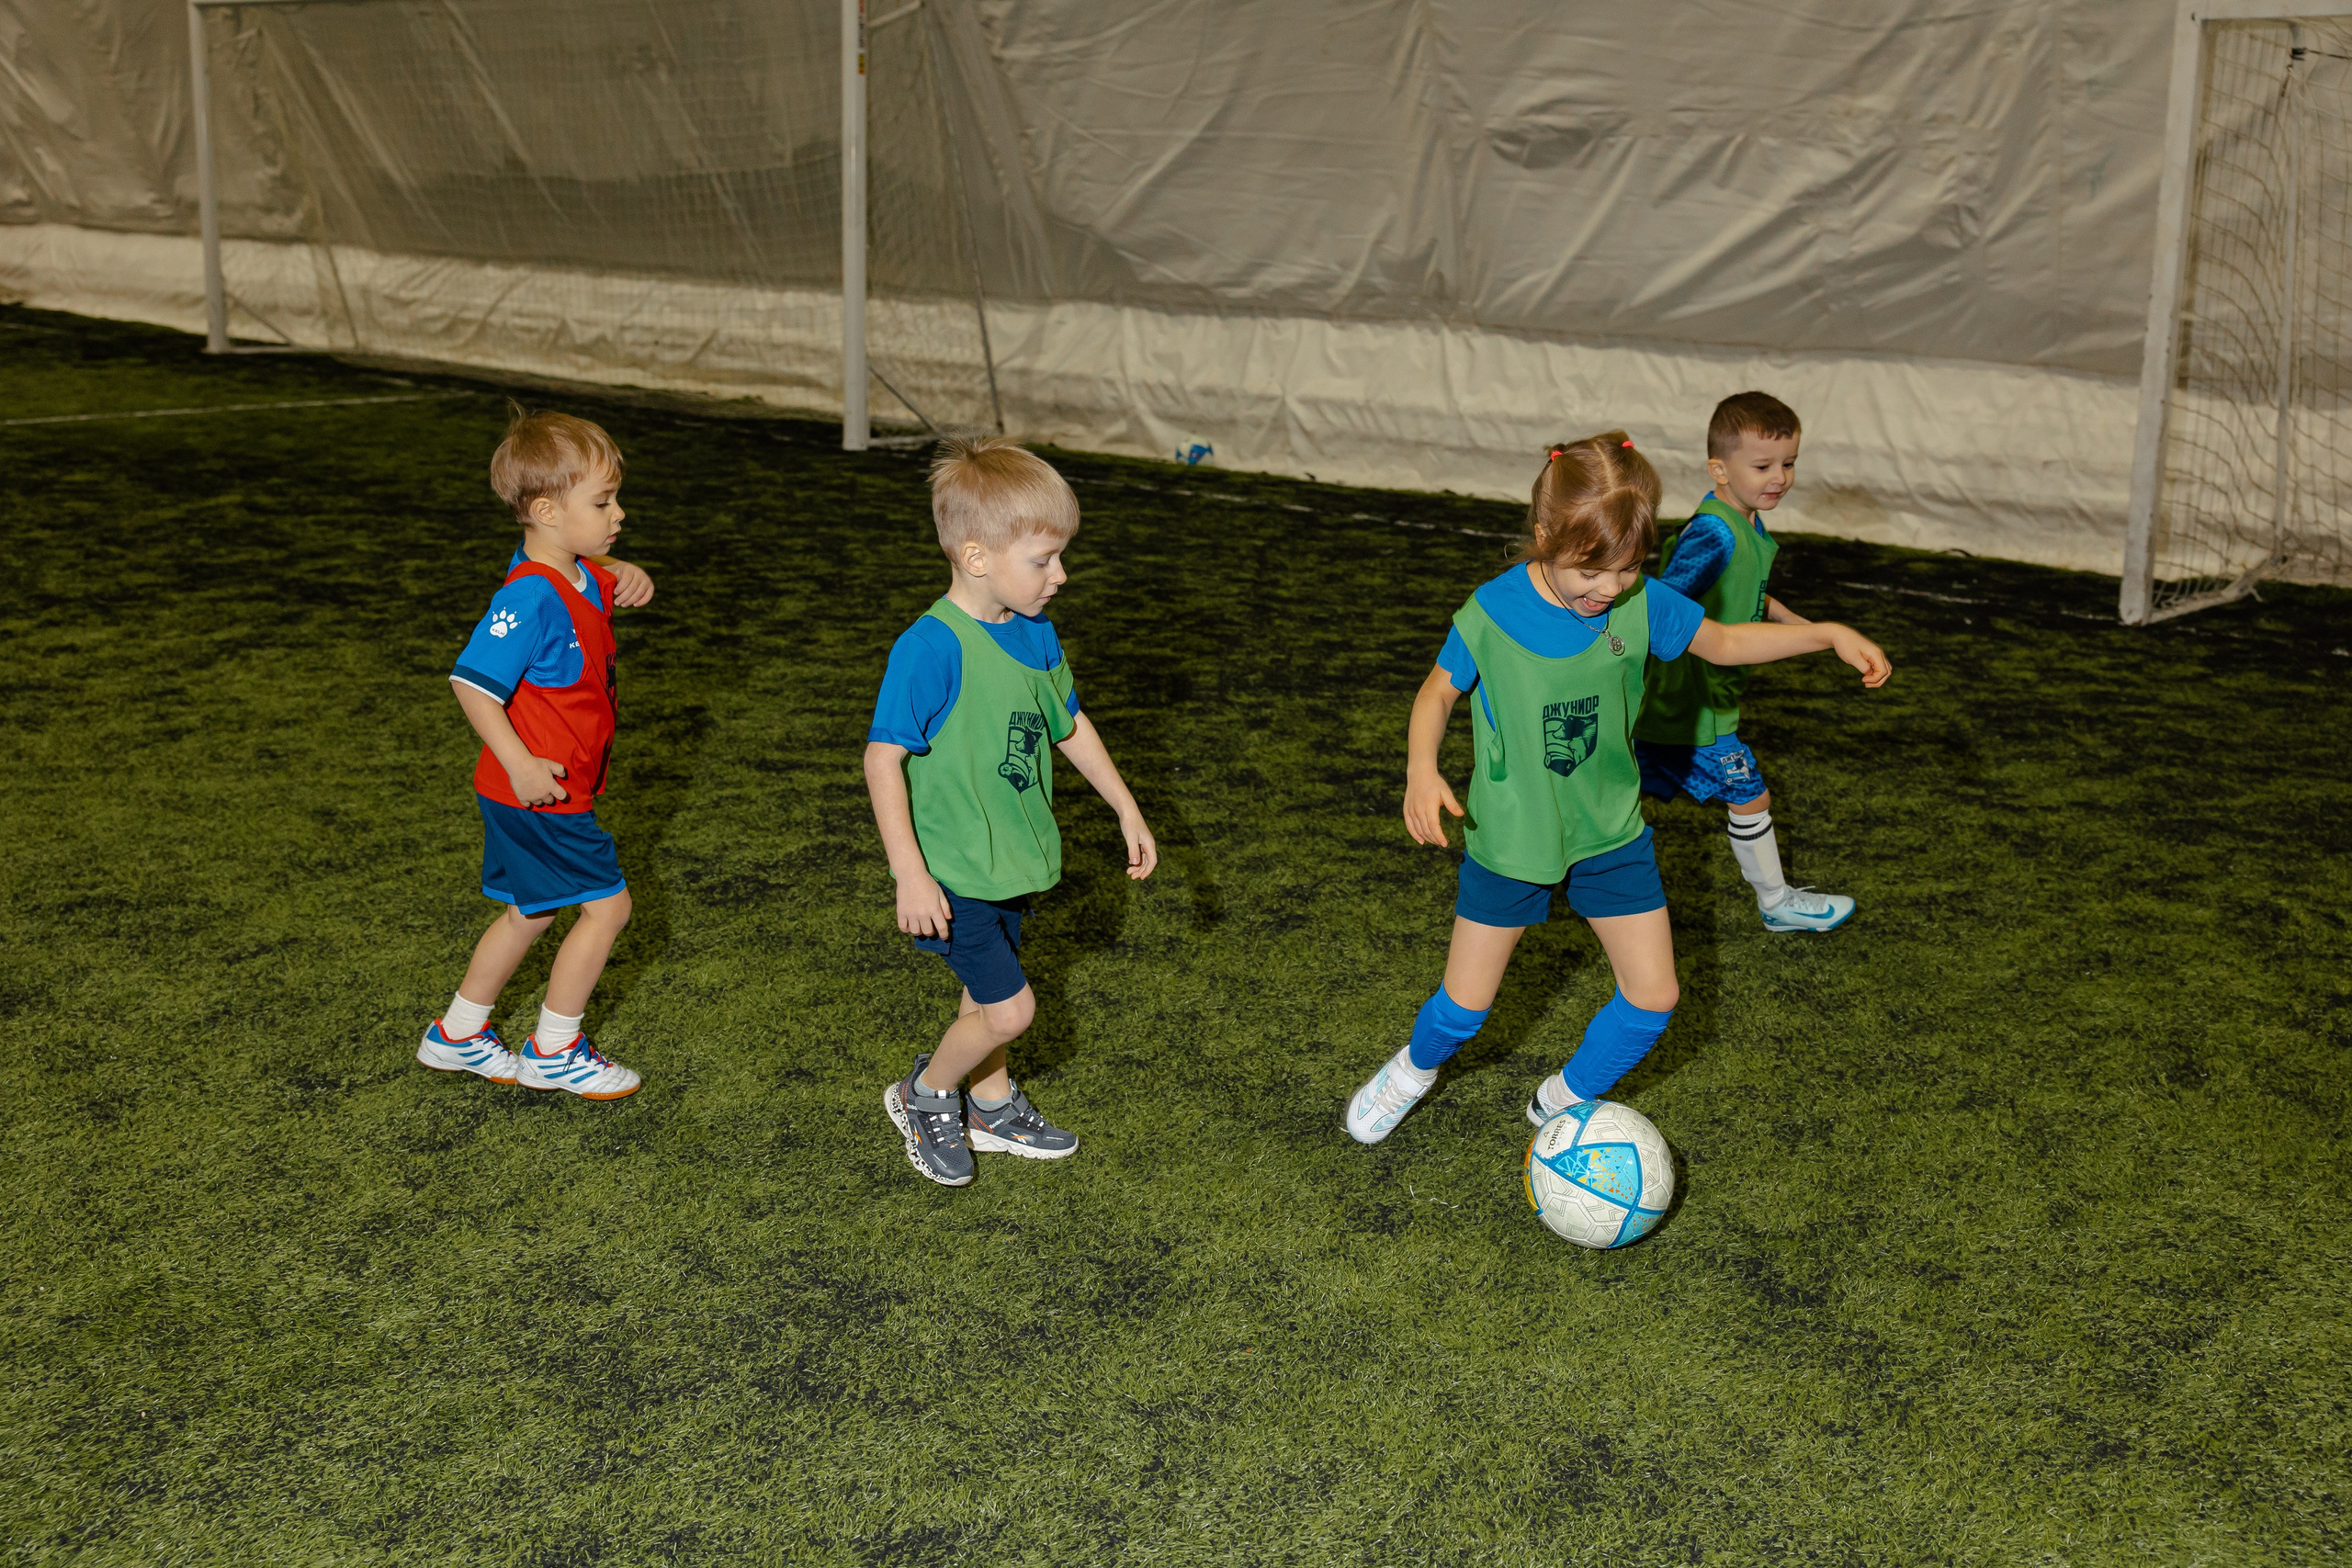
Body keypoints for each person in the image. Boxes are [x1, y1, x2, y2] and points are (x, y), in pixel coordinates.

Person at [1344, 432, 1889, 1145]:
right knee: (1465, 1005)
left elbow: (1723, 641)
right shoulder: (1492, 610)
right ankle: (1413, 1071)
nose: (1608, 589)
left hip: (1611, 830)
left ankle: (1561, 1098)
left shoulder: (1641, 603)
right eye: (1590, 571)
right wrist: (1422, 768)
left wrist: (1825, 633)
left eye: (1628, 570)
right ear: (1544, 538)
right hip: (1514, 834)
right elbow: (1435, 695)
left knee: (1655, 995)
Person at [865, 435, 1159, 1187]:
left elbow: (1067, 722)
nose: (1060, 576)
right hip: (955, 867)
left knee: (985, 993)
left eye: (1060, 557)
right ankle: (928, 1091)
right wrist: (910, 874)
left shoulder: (1033, 629)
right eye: (1043, 560)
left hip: (1012, 860)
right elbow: (882, 758)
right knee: (1010, 1010)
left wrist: (1126, 804)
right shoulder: (929, 647)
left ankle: (991, 1102)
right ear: (976, 555)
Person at [415, 408, 655, 1100]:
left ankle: (457, 1034)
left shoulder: (573, 571)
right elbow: (470, 681)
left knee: (532, 909)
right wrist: (522, 762)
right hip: (539, 790)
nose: (619, 513)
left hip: (534, 788)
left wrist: (623, 571)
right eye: (603, 502)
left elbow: (596, 579)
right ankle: (555, 1047)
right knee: (608, 910)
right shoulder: (528, 594)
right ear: (547, 510)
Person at [1634, 391, 1850, 931]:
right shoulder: (1714, 532)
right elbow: (1662, 603)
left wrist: (1803, 628)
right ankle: (1776, 904)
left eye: (1789, 463)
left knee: (1615, 781)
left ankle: (1549, 861)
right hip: (1692, 706)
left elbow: (1749, 594)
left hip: (1684, 702)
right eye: (1763, 465)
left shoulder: (1746, 522)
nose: (1779, 477)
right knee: (1750, 793)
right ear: (1719, 469)